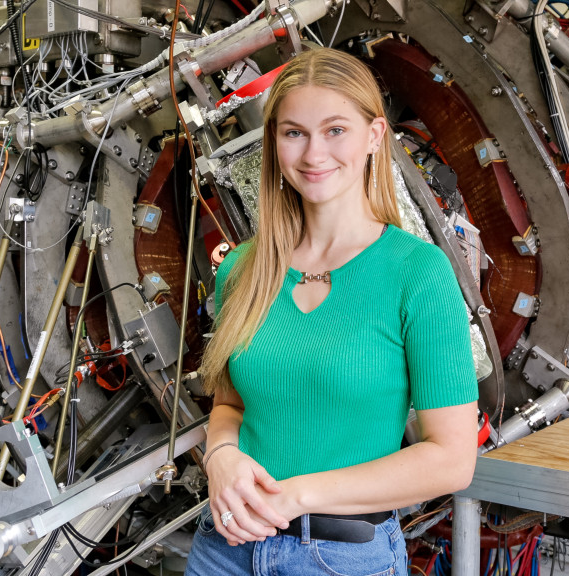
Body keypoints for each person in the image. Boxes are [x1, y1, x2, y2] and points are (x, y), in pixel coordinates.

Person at [186, 48, 479, 576]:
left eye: (336, 129)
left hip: (342, 557)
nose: (314, 152)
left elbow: (452, 459)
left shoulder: (418, 274)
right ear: (274, 143)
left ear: (374, 136)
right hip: (223, 550)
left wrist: (300, 494)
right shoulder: (243, 270)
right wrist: (220, 458)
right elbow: (230, 408)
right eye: (294, 132)